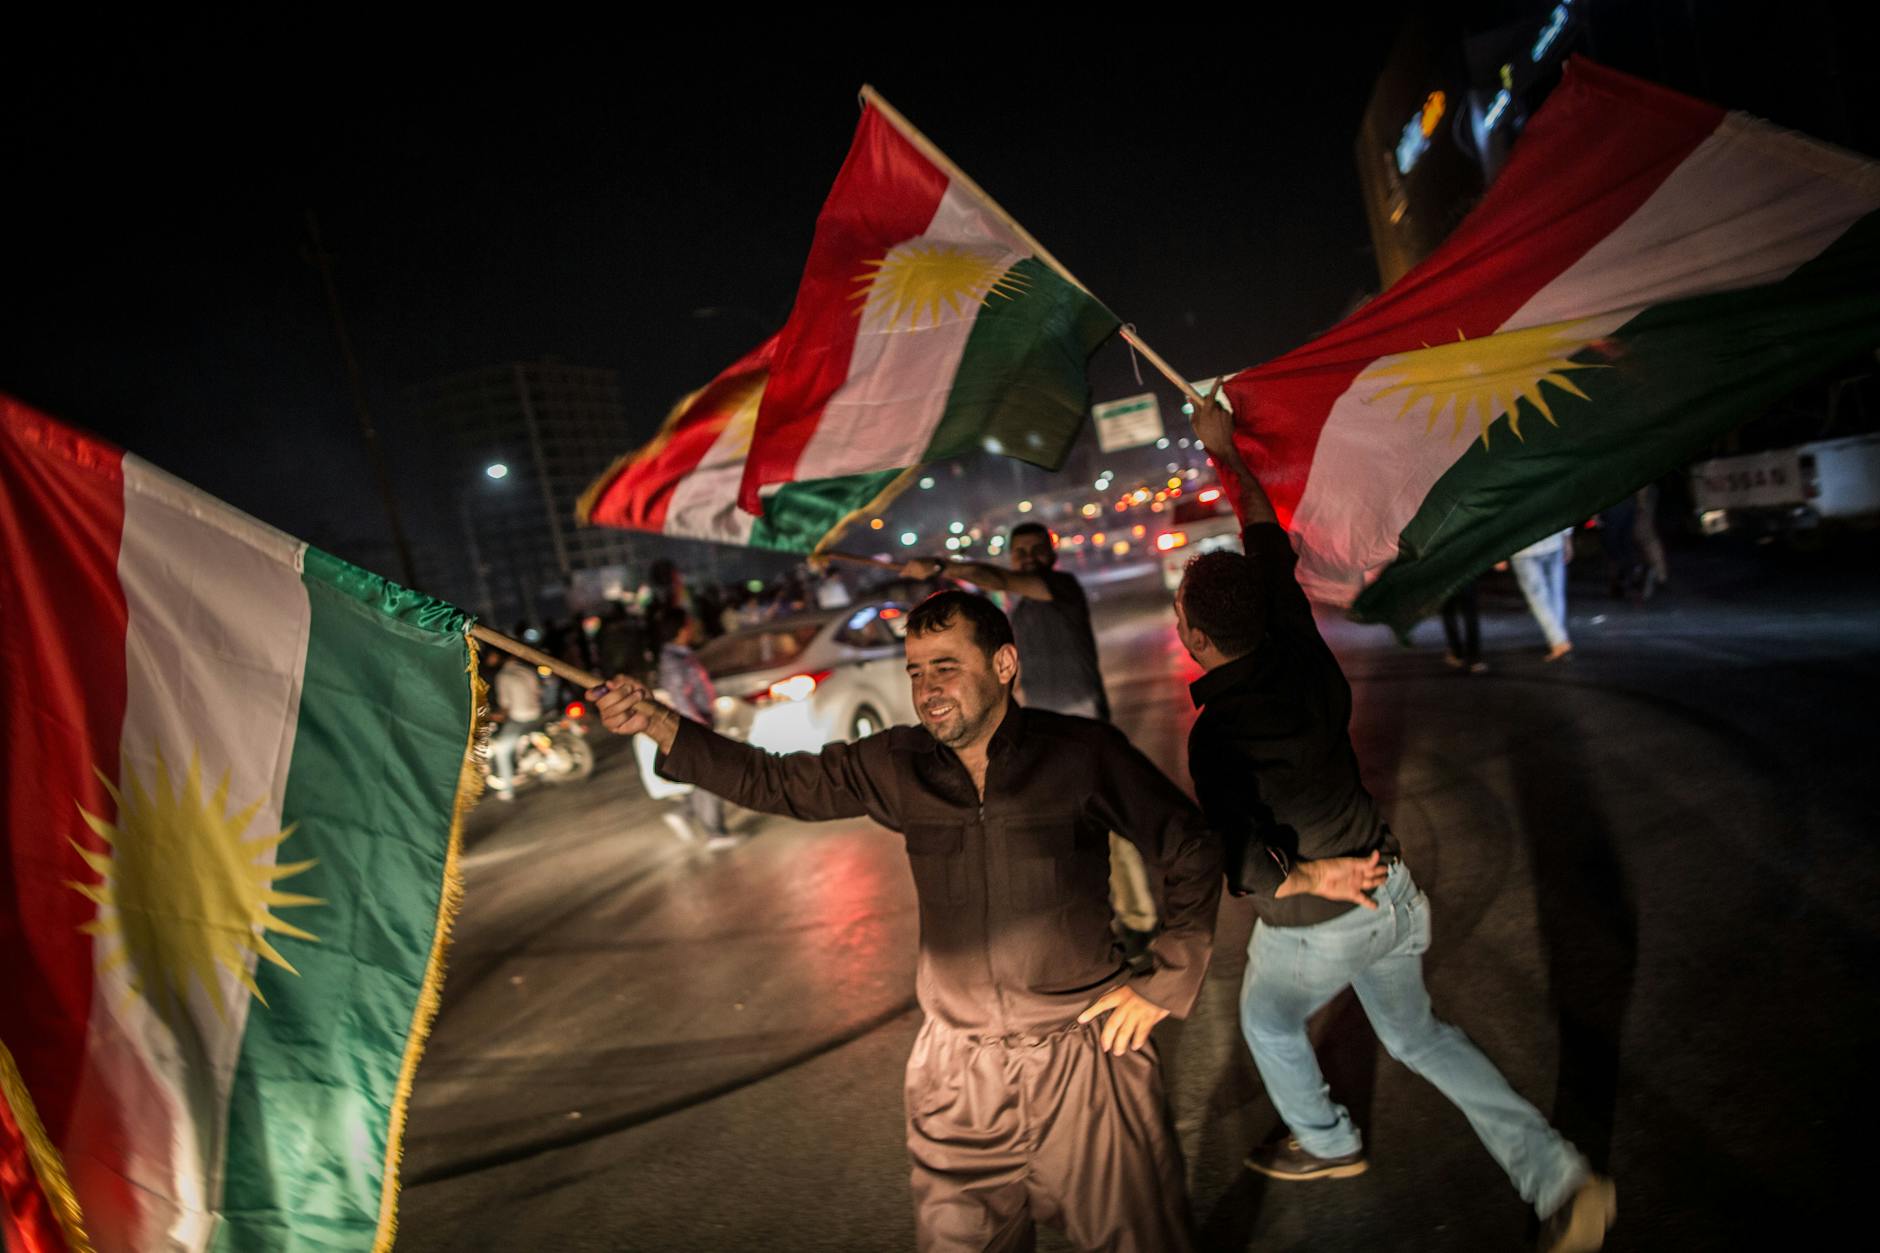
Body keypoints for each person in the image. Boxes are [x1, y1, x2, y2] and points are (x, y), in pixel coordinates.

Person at [589, 590, 1222, 1252]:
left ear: (1004, 663)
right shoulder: (896, 763)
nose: (927, 688)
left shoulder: (1080, 752)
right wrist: (660, 723)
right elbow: (771, 782)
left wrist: (1164, 979)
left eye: (945, 665)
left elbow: (1191, 843)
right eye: (915, 670)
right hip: (959, 1081)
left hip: (1086, 1068)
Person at [1182, 394, 1616, 1253]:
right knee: (1421, 1035)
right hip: (1394, 887)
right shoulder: (1298, 645)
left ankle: (1328, 1137)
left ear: (1190, 634)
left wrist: (1310, 877)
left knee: (1268, 1022)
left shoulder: (1216, 736)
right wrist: (1227, 453)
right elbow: (1266, 535)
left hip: (1323, 922)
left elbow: (1244, 859)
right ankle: (1560, 1177)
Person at [901, 526, 1155, 964]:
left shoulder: (1061, 588)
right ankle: (1105, 922)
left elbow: (996, 579)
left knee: (1109, 825)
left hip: (1084, 723)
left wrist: (943, 565)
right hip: (1046, 727)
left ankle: (1140, 923)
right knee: (1067, 830)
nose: (1029, 557)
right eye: (1020, 552)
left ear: (1052, 553)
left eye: (1037, 549)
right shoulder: (1019, 609)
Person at [656, 608, 732, 849]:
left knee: (704, 775)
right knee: (710, 776)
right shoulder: (673, 660)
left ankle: (684, 813)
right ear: (681, 629)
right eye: (690, 624)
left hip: (701, 721)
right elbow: (679, 697)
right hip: (694, 725)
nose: (694, 628)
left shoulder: (682, 655)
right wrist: (697, 727)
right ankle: (715, 834)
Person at [487, 647, 545, 801]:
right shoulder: (527, 670)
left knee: (501, 749)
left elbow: (506, 705)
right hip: (538, 713)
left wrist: (496, 715)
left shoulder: (504, 676)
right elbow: (539, 691)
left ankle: (508, 790)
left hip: (520, 719)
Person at [1511, 528, 1576, 661]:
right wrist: (1567, 538)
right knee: (1555, 592)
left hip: (1523, 547)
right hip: (1553, 540)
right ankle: (1559, 637)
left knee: (1538, 598)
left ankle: (1558, 641)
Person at [1439, 578, 1487, 673]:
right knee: (1469, 613)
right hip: (1465, 573)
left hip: (1444, 574)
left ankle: (1457, 653)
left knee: (1449, 613)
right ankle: (1474, 658)